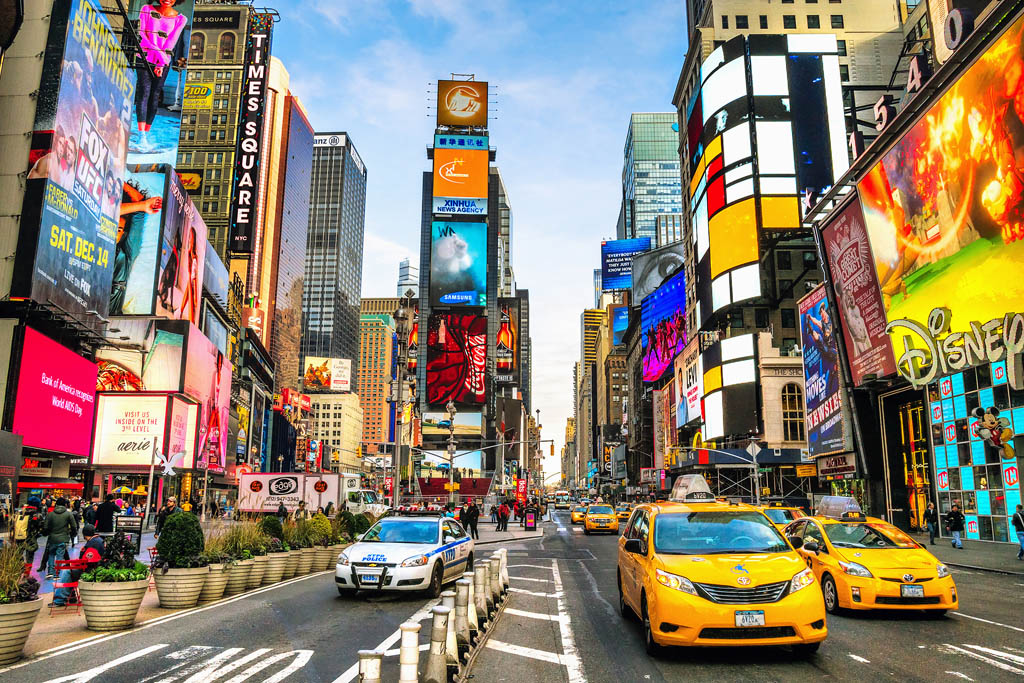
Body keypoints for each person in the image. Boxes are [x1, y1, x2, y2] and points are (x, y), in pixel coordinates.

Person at [51, 524, 105, 607]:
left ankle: (60, 599)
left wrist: (73, 564)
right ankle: (71, 597)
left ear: (84, 534)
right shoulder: (99, 540)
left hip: (89, 569)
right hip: (95, 568)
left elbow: (86, 560)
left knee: (67, 571)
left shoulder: (92, 544)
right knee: (70, 570)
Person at [43, 497, 77, 580]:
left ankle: (50, 572)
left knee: (51, 554)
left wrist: (47, 533)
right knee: (59, 556)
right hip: (63, 538)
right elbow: (74, 526)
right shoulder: (68, 514)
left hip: (52, 538)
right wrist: (73, 534)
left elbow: (45, 527)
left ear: (56, 504)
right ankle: (57, 574)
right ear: (65, 504)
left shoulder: (50, 514)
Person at [14, 497, 45, 565]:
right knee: (30, 556)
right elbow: (42, 527)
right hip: (31, 538)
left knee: (19, 553)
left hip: (20, 536)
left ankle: (20, 569)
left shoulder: (20, 512)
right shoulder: (37, 515)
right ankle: (27, 572)